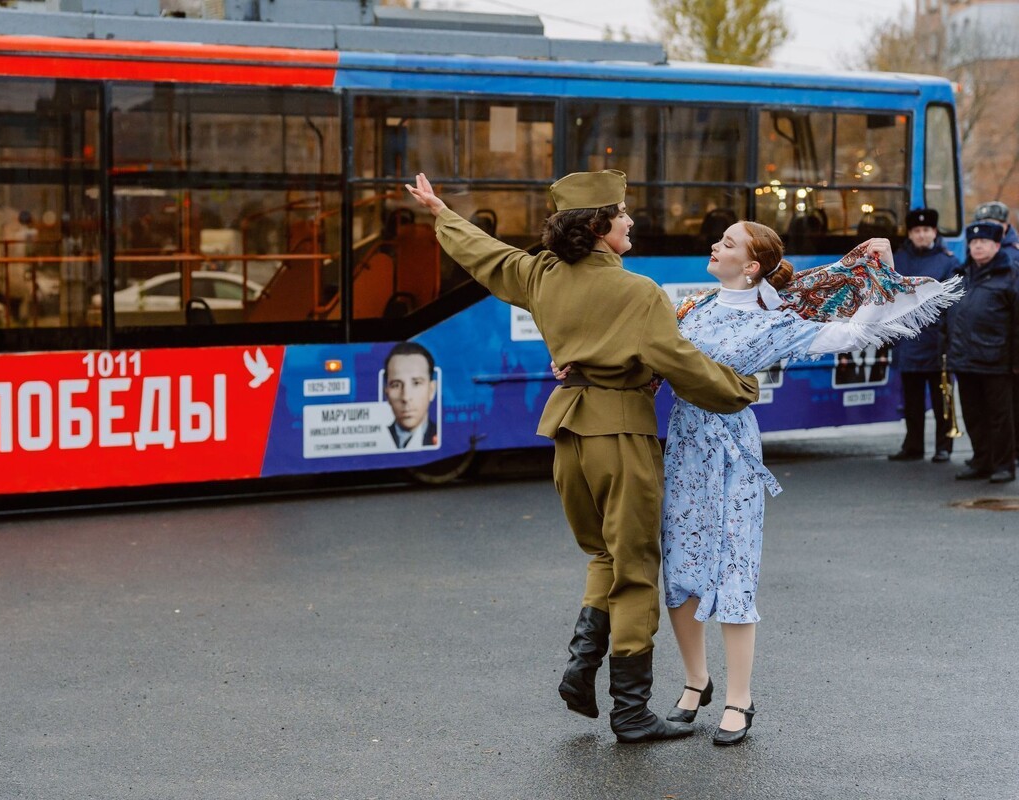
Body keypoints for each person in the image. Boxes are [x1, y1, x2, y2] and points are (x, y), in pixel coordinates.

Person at [558, 223, 959, 745]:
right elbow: (641, 357)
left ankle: (739, 699)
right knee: (679, 574)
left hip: (734, 457)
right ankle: (695, 681)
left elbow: (851, 333)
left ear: (750, 266)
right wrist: (580, 364)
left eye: (726, 243)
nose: (714, 246)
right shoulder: (692, 309)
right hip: (681, 449)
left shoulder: (777, 321)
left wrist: (881, 275)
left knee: (733, 573)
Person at [406, 170, 760, 744]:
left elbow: (486, 255)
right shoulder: (637, 291)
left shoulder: (541, 275)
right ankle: (630, 711)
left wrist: (441, 213)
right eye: (620, 213)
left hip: (567, 433)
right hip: (620, 436)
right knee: (637, 568)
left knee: (602, 554)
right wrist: (741, 389)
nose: (629, 220)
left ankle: (580, 668)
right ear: (598, 226)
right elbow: (683, 365)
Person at [947, 220, 1019, 483]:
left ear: (997, 246)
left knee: (1000, 417)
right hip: (965, 359)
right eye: (974, 243)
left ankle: (1003, 465)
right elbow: (950, 317)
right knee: (973, 415)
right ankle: (981, 460)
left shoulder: (1010, 276)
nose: (978, 247)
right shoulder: (962, 274)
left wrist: (1015, 361)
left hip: (996, 360)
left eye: (984, 243)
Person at [888, 208, 961, 462]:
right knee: (911, 399)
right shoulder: (898, 259)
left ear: (934, 232)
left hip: (936, 340)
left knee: (942, 397)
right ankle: (913, 445)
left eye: (926, 230)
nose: (922, 235)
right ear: (910, 233)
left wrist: (948, 337)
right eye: (917, 231)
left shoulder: (948, 261)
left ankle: (944, 446)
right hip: (908, 339)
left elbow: (952, 304)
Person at [384, 341, 438, 449]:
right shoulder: (381, 435)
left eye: (416, 383)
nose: (406, 397)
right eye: (396, 385)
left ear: (431, 390)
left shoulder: (442, 435)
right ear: (386, 393)